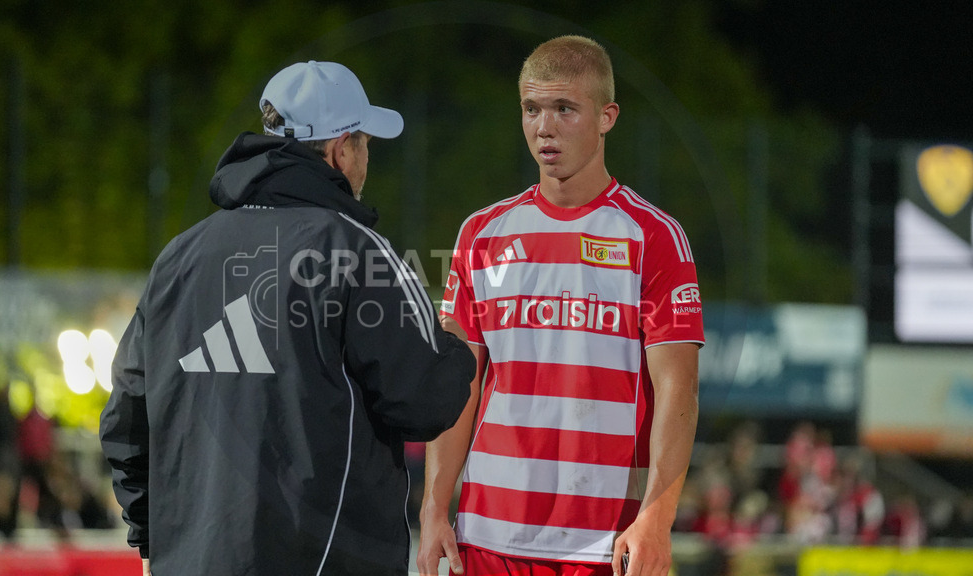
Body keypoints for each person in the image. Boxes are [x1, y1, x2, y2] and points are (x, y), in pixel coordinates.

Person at [100, 60, 476, 576]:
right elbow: (425, 400)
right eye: (364, 143)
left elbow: (126, 419)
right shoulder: (355, 250)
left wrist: (153, 538)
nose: (366, 159)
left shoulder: (179, 258)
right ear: (341, 150)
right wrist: (454, 344)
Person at [417, 36, 704, 576]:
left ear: (606, 117)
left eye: (564, 109)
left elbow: (678, 388)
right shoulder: (481, 234)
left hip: (605, 544)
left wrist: (657, 519)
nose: (543, 127)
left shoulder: (654, 237)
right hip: (487, 538)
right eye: (531, 109)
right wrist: (434, 508)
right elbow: (460, 384)